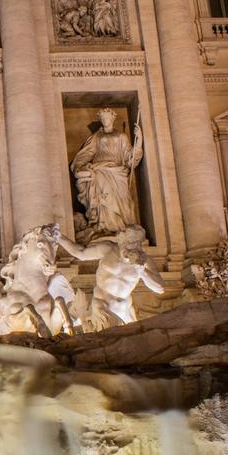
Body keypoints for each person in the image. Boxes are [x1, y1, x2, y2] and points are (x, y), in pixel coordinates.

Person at [57, 225, 164, 330]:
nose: (134, 246)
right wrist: (59, 237)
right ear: (122, 240)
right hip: (102, 307)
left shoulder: (143, 260)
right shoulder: (108, 249)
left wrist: (142, 272)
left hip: (125, 310)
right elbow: (80, 253)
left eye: (138, 243)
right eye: (130, 242)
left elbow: (160, 289)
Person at [71, 108, 142, 241]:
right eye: (103, 119)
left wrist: (139, 141)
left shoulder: (122, 136)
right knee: (101, 196)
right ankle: (103, 226)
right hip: (100, 171)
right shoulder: (96, 137)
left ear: (112, 119)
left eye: (107, 118)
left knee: (122, 201)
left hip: (118, 173)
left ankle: (121, 227)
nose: (105, 121)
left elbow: (129, 158)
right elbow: (87, 153)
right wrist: (79, 166)